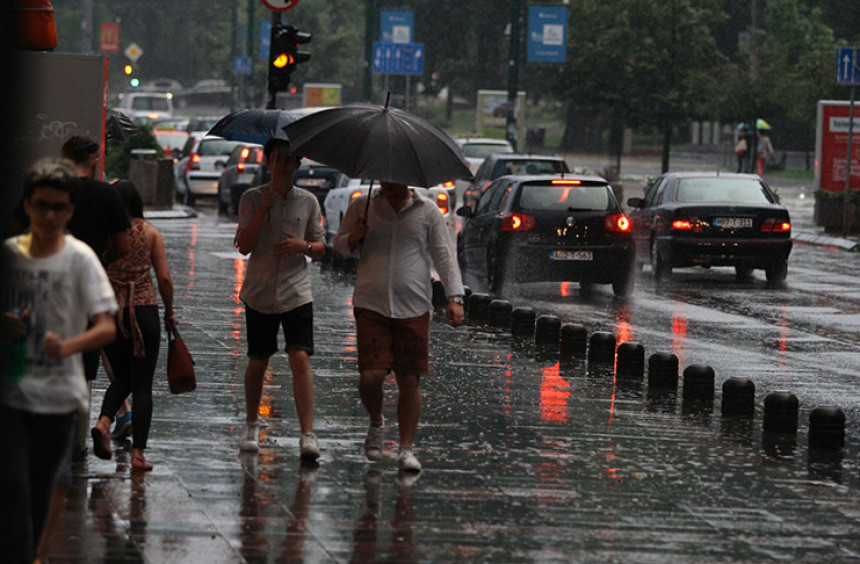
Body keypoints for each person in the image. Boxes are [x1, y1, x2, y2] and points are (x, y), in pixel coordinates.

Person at [0, 158, 117, 563]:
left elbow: (107, 326)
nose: (50, 216)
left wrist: (68, 345)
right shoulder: (10, 256)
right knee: (13, 486)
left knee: (42, 489)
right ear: (27, 206)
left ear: (70, 211)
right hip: (12, 392)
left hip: (58, 398)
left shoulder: (80, 259)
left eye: (60, 208)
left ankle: (33, 553)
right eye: (42, 205)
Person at [333, 181, 465, 473]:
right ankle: (376, 421)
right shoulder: (362, 205)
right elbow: (340, 247)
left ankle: (406, 448)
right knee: (371, 376)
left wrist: (454, 297)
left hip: (414, 305)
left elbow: (443, 255)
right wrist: (355, 235)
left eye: (394, 177)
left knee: (409, 379)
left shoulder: (428, 211)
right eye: (383, 177)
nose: (387, 183)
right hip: (371, 302)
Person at [234, 138, 325, 461]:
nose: (286, 167)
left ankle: (307, 433)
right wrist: (262, 212)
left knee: (300, 357)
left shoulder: (309, 202)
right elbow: (243, 245)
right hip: (259, 291)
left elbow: (320, 246)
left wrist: (303, 246)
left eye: (292, 160)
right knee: (258, 359)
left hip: (297, 291)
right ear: (268, 160)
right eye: (280, 160)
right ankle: (250, 423)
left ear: (298, 164)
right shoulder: (251, 198)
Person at [90, 180, 177, 471]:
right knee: (142, 385)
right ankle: (138, 454)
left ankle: (104, 422)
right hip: (144, 312)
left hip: (113, 312)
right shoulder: (151, 233)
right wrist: (170, 311)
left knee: (121, 378)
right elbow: (164, 278)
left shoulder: (107, 235)